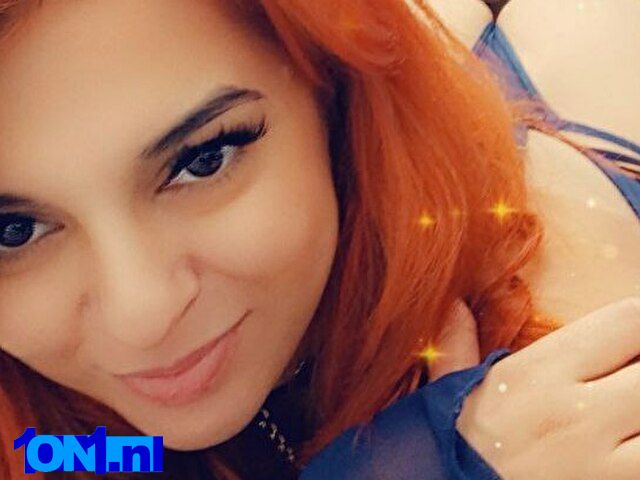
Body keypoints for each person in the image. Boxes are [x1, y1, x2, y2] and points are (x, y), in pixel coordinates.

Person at [0, 1, 637, 479]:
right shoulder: (62, 435)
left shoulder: (580, 286)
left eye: (204, 161)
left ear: (332, 92)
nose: (142, 317)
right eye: (14, 231)